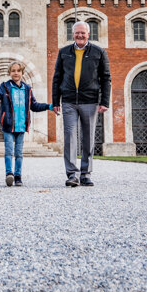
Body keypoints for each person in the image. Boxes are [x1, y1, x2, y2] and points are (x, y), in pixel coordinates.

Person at [51, 20, 111, 187]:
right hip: (69, 101)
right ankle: (72, 174)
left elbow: (106, 78)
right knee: (70, 137)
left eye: (83, 33)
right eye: (77, 32)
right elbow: (57, 78)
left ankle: (86, 174)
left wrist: (104, 101)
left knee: (88, 138)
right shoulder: (64, 52)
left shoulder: (98, 52)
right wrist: (56, 101)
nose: (80, 35)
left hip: (90, 101)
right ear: (73, 34)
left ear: (88, 34)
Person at [0, 61, 51, 187]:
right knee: (9, 151)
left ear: (22, 73)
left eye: (18, 70)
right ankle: (9, 174)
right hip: (8, 125)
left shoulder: (27, 89)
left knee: (19, 153)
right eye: (13, 71)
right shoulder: (4, 87)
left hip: (21, 126)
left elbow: (34, 106)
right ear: (9, 73)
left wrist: (49, 106)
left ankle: (18, 175)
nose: (16, 73)